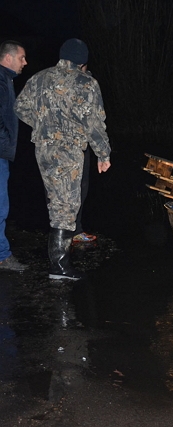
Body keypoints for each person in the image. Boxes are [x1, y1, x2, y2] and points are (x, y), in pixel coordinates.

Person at [14, 38, 111, 280]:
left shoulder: (39, 78)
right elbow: (94, 123)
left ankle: (59, 263)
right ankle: (58, 266)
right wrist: (103, 153)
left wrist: (43, 125)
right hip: (68, 150)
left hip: (43, 150)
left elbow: (20, 107)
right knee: (66, 205)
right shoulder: (86, 82)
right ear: (82, 62)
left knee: (58, 200)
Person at [0, 41, 28, 272]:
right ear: (8, 58)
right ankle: (2, 255)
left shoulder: (6, 80)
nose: (25, 62)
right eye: (22, 57)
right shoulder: (1, 80)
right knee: (0, 207)